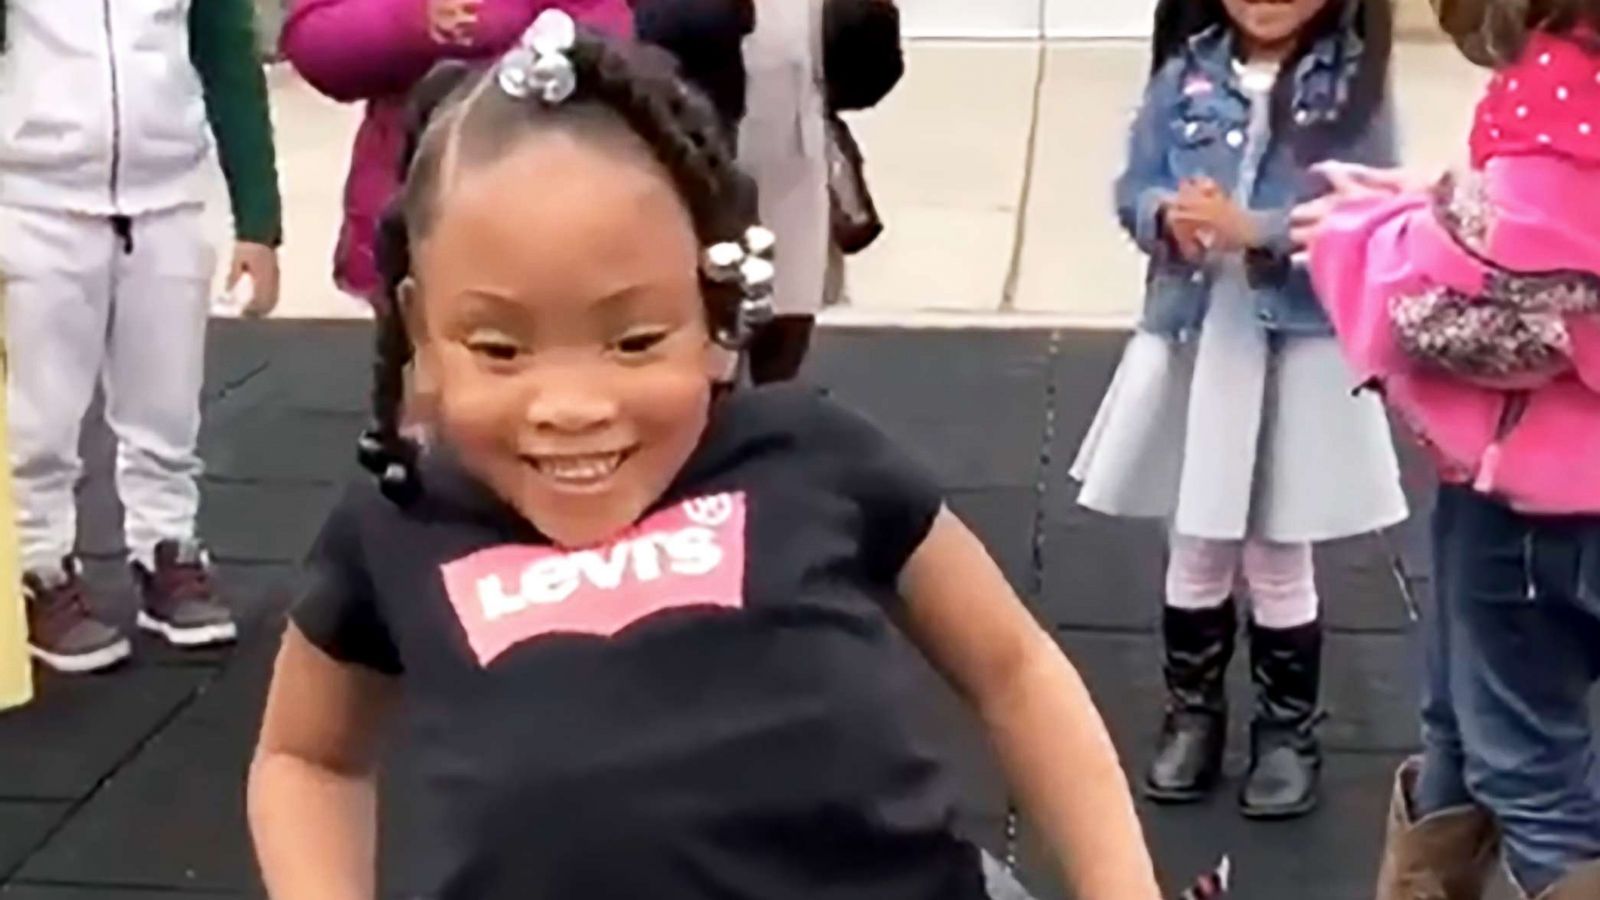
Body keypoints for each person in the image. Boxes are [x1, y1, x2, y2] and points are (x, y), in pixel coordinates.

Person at [247, 14, 1163, 899]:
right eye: (499, 348)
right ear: (420, 330)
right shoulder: (397, 528)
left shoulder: (814, 458)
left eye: (637, 340)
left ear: (716, 308)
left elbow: (1012, 665)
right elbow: (306, 757)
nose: (570, 406)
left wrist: (1122, 886)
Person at [1069, 0, 1406, 820]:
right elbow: (1135, 183)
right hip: (1200, 332)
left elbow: (1364, 215)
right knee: (1197, 531)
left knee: (1278, 543)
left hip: (1292, 340)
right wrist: (1165, 220)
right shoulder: (1185, 74)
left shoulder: (1353, 89)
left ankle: (1287, 732)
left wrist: (1248, 228)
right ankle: (1194, 712)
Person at [1298, 2, 1600, 896]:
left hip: (1537, 508)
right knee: (1460, 729)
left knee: (1530, 772)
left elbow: (1469, 312)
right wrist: (1436, 208)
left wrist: (1361, 245)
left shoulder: (1564, 105)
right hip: (1531, 492)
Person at [0, 0, 284, 673]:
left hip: (166, 198)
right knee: (38, 415)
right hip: (34, 201)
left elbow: (227, 60)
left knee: (167, 405)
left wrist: (258, 221)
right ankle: (37, 565)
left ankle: (167, 550)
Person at [281, 0, 634, 307]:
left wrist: (532, 54)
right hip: (410, 209)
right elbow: (314, 41)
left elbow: (608, 32)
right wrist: (410, 21)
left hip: (543, 203)